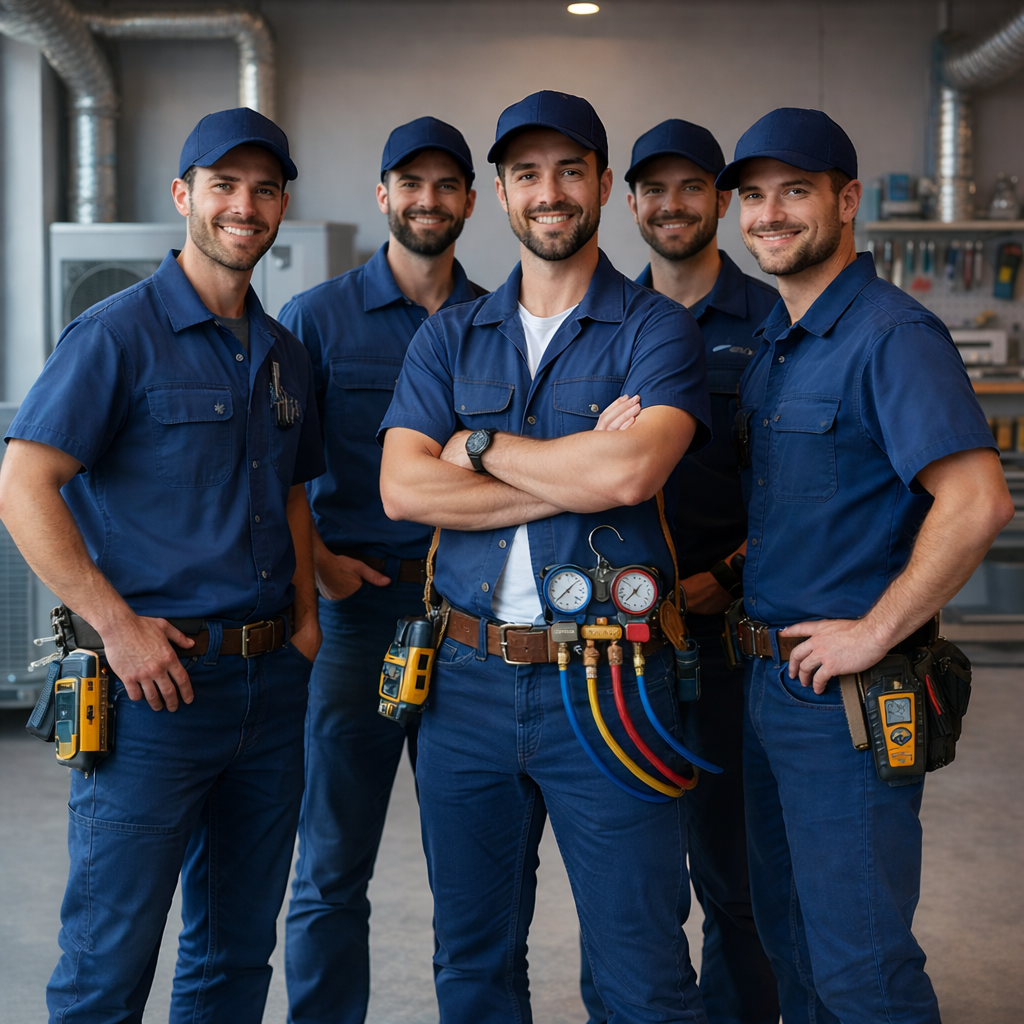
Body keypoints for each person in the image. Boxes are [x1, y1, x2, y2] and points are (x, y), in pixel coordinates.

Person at [379, 91, 713, 1024]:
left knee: (643, 967)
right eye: (528, 173)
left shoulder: (656, 330)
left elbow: (634, 469)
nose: (551, 191)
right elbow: (403, 491)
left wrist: (475, 447)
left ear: (606, 185)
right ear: (501, 193)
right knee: (473, 961)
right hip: (465, 684)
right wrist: (583, 472)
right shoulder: (451, 334)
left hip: (613, 680)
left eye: (571, 169)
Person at [0, 107, 325, 1024]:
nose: (245, 206)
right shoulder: (115, 335)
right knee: (109, 958)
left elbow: (296, 494)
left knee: (234, 954)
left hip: (269, 690)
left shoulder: (287, 351)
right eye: (224, 185)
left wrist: (303, 621)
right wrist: (118, 627)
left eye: (264, 189)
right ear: (184, 195)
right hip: (153, 692)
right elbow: (24, 486)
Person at [716, 107, 1014, 1022]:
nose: (769, 214)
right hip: (771, 683)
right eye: (755, 196)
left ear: (847, 201)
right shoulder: (780, 340)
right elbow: (811, 509)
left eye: (795, 192)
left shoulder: (892, 335)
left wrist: (875, 632)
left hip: (845, 701)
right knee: (791, 940)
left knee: (861, 966)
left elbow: (977, 501)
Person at [279, 116, 485, 1024]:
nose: (428, 200)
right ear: (383, 196)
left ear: (470, 202)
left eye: (446, 185)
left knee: (476, 870)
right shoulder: (316, 318)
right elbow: (272, 467)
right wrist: (316, 564)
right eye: (412, 184)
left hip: (472, 619)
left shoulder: (502, 318)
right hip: (360, 617)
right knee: (331, 867)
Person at [579, 119, 779, 1024]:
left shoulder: (772, 322)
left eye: (692, 188)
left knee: (735, 878)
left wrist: (727, 577)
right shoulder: (603, 320)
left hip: (730, 631)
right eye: (654, 190)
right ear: (630, 202)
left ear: (721, 202)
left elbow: (798, 491)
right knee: (626, 886)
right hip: (617, 640)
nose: (671, 205)